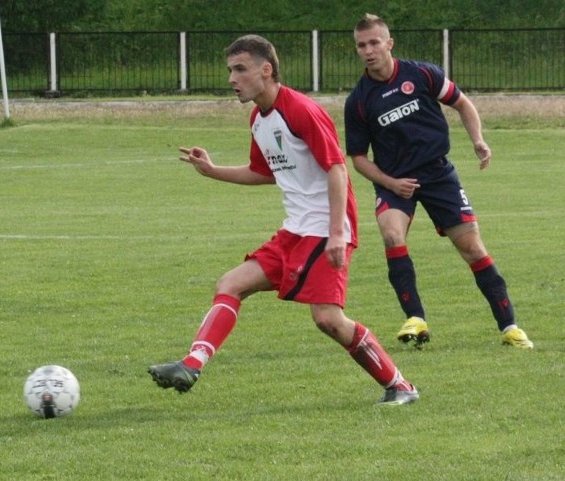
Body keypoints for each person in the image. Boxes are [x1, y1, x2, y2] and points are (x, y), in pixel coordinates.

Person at [148, 34, 419, 405]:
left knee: (328, 320)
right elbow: (264, 171)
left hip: (325, 230)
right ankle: (191, 364)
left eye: (240, 69)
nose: (232, 78)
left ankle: (401, 386)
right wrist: (212, 171)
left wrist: (338, 233)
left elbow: (337, 169)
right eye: (230, 70)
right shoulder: (259, 119)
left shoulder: (301, 110)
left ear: (266, 69)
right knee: (230, 284)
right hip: (295, 230)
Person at [344, 14, 533, 349]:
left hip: (438, 175)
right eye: (362, 45)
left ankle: (510, 327)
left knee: (472, 249)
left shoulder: (422, 74)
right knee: (391, 234)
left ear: (389, 44)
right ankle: (415, 319)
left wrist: (478, 140)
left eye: (374, 42)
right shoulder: (358, 100)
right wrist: (390, 182)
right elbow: (358, 158)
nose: (368, 50)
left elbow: (462, 104)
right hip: (395, 181)